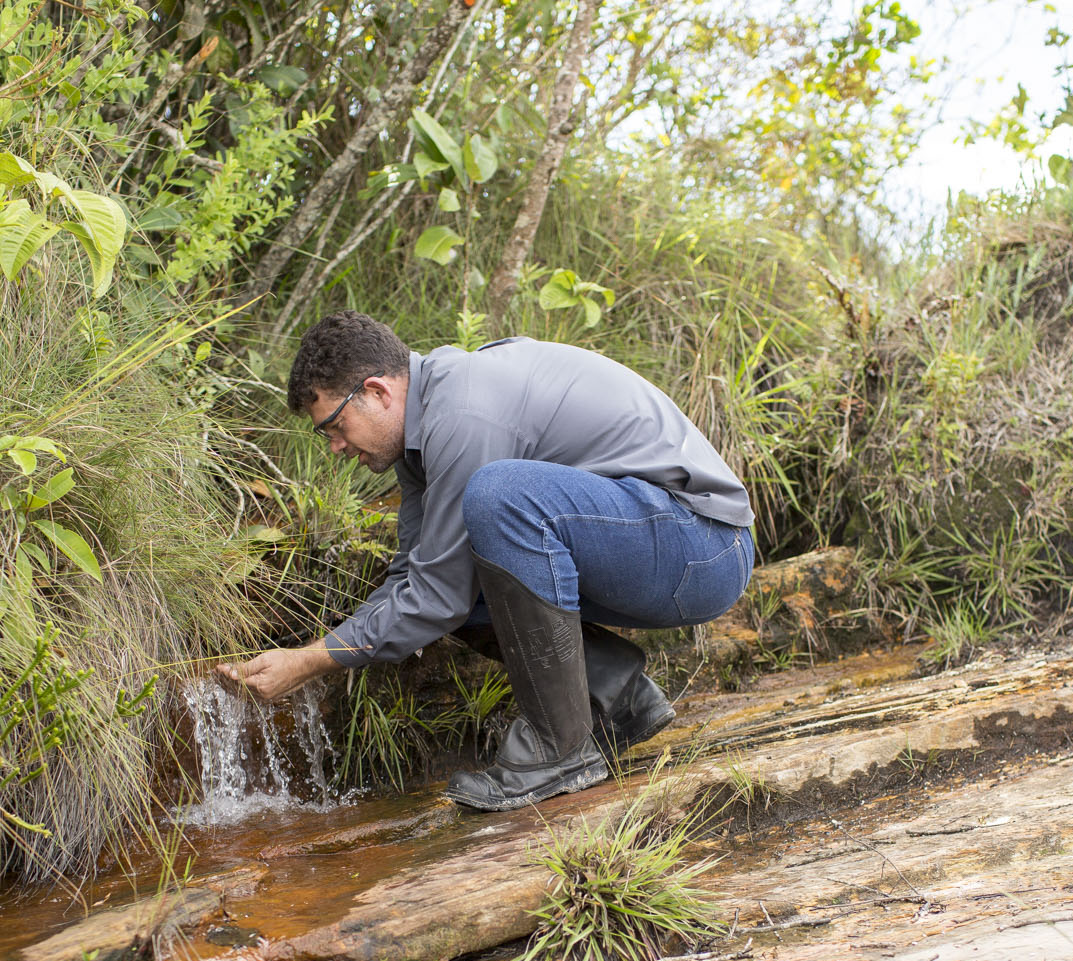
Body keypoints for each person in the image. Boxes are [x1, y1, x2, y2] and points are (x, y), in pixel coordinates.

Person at [221, 311, 755, 811]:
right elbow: (418, 578)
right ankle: (617, 694)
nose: (334, 446)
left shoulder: (465, 413)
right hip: (656, 542)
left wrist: (310, 661)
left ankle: (559, 751)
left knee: (498, 496)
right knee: (464, 555)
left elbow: (436, 598)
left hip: (704, 548)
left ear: (377, 392)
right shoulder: (423, 436)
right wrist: (317, 647)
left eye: (333, 427)